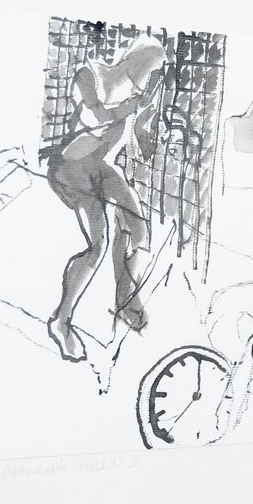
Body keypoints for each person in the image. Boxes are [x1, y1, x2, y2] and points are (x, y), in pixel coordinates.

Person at [43, 37, 166, 363]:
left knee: (137, 230)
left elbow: (133, 132)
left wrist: (144, 124)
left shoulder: (137, 94)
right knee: (97, 246)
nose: (149, 79)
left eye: (154, 74)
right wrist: (129, 107)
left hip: (99, 164)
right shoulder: (90, 74)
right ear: (133, 62)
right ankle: (62, 320)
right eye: (149, 70)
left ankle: (124, 294)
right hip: (72, 167)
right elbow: (97, 115)